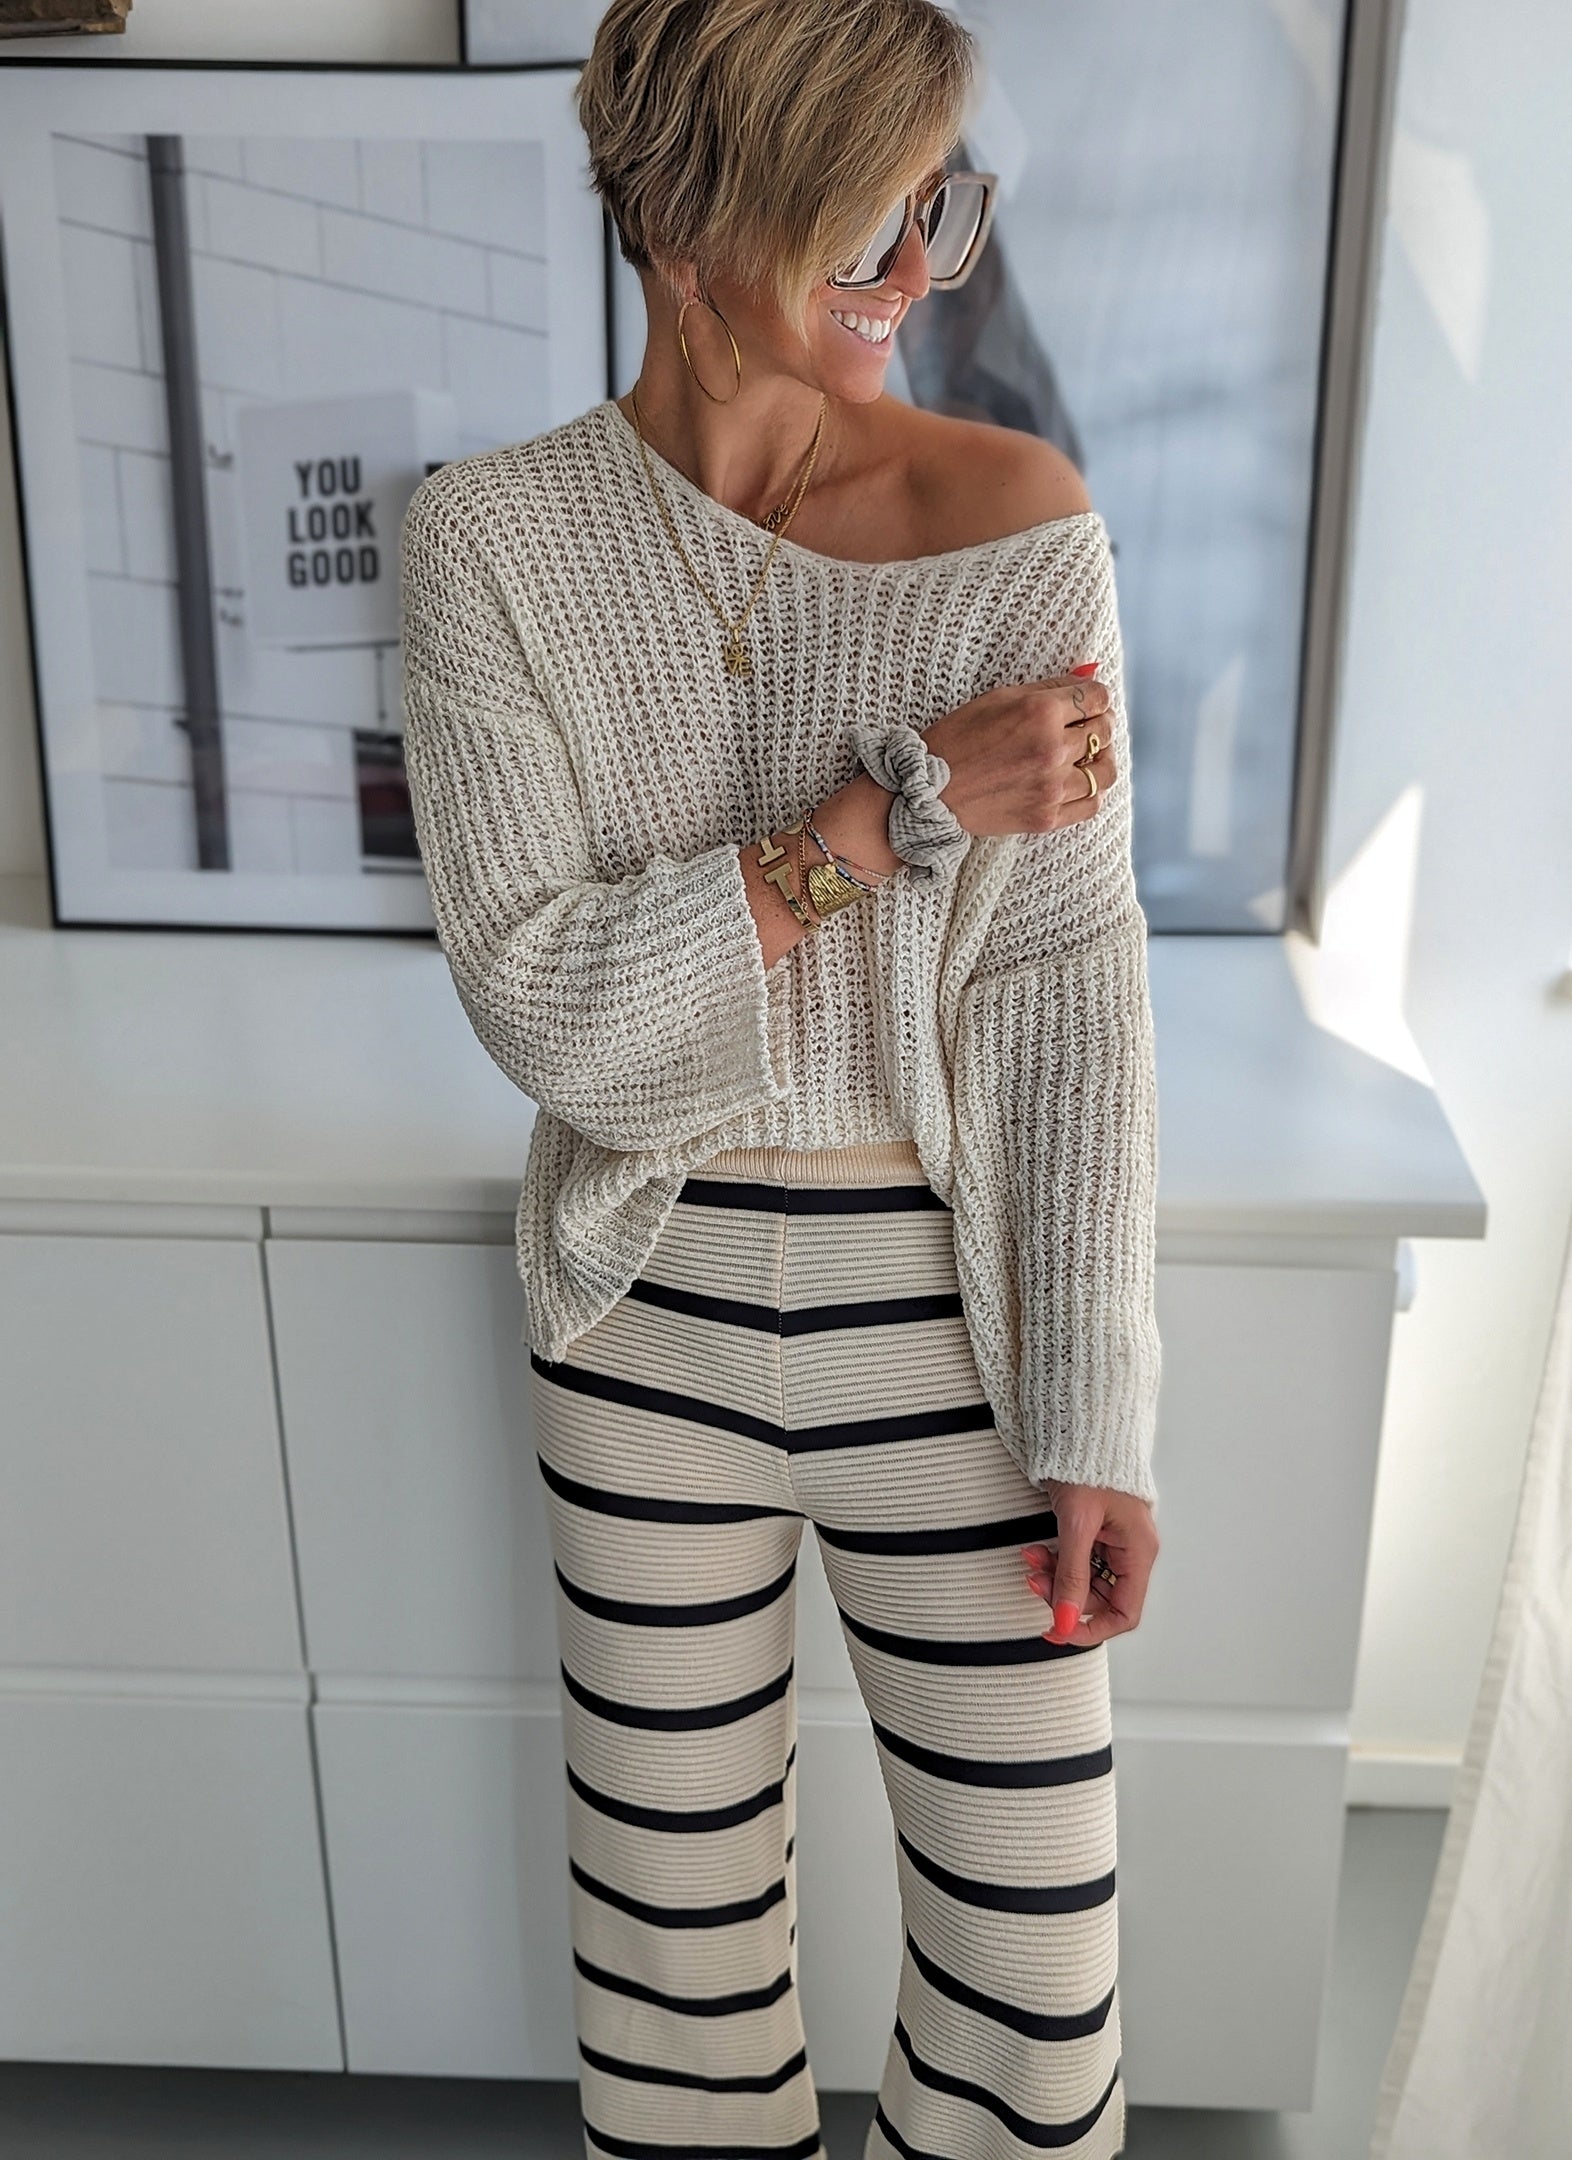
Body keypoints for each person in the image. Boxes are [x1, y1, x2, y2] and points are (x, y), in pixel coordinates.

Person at [397, 4, 1163, 2153]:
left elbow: (1065, 992)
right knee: (676, 1953)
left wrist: (1095, 1407)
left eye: (936, 212)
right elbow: (554, 1012)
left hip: (951, 1315)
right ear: (682, 212)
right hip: (637, 1309)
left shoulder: (1020, 525)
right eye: (862, 222)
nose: (916, 273)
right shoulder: (492, 545)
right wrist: (884, 816)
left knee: (1034, 1977)